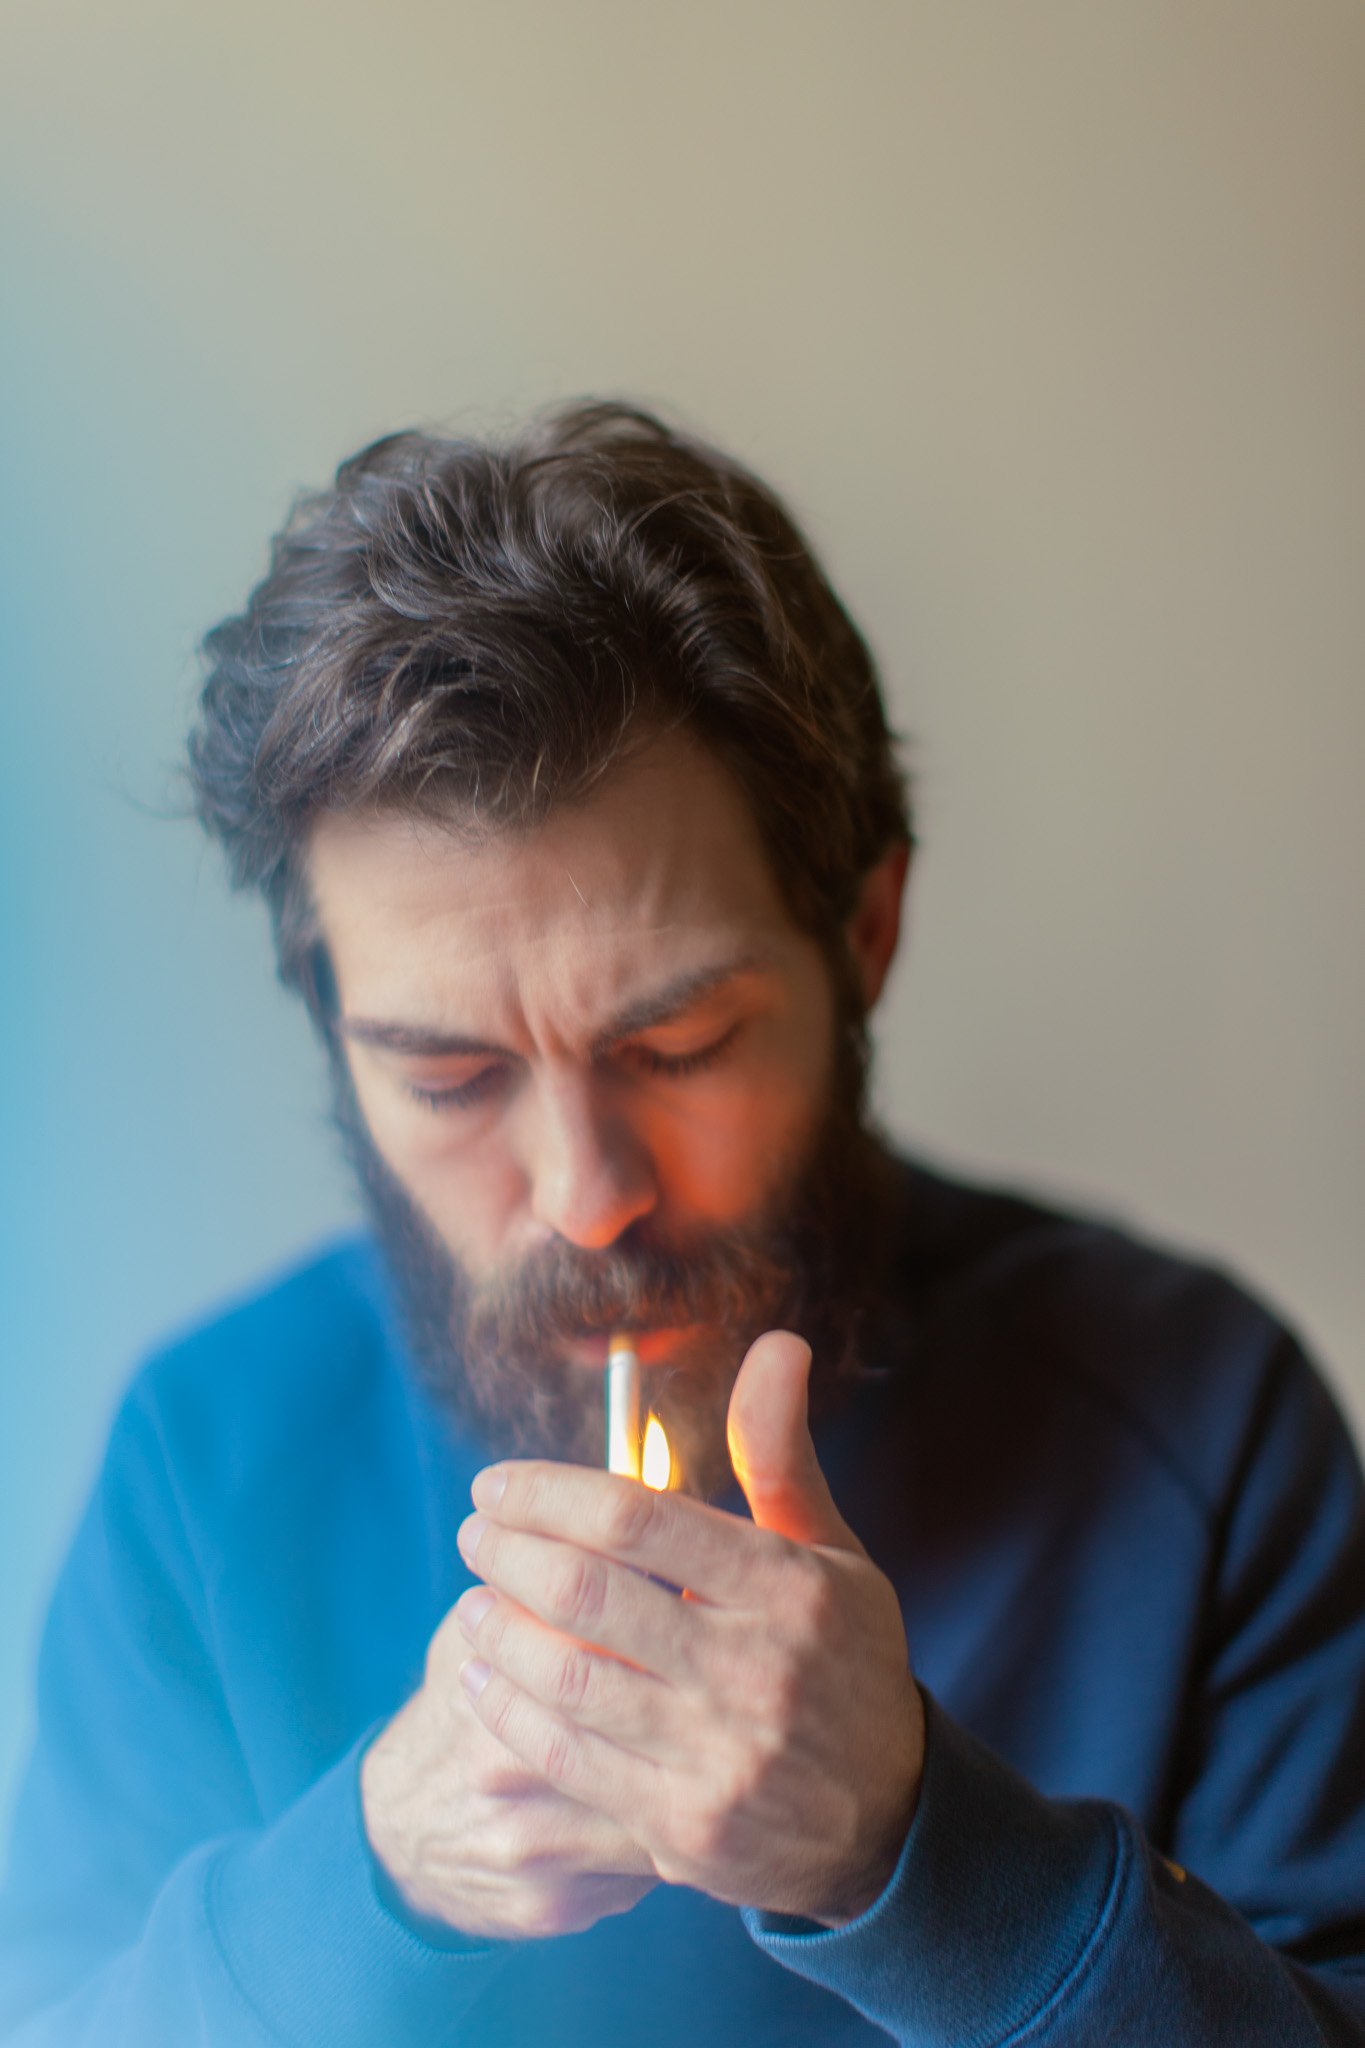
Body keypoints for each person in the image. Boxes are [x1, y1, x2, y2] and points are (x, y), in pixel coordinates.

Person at [1, 402, 1363, 2048]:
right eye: (448, 1075)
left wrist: (916, 1854)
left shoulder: (1197, 1429)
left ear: (863, 936)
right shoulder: (201, 1470)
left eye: (676, 1047)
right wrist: (374, 1878)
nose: (587, 1196)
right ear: (327, 1019)